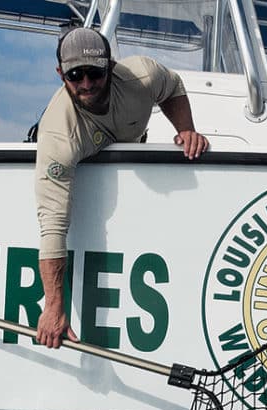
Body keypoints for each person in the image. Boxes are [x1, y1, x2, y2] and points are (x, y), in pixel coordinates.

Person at [34, 27, 209, 348]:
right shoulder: (58, 136)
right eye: (75, 75)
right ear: (60, 74)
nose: (86, 83)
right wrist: (54, 305)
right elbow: (53, 226)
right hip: (73, 159)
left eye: (95, 73)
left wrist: (186, 129)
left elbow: (173, 87)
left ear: (111, 66)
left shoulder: (142, 75)